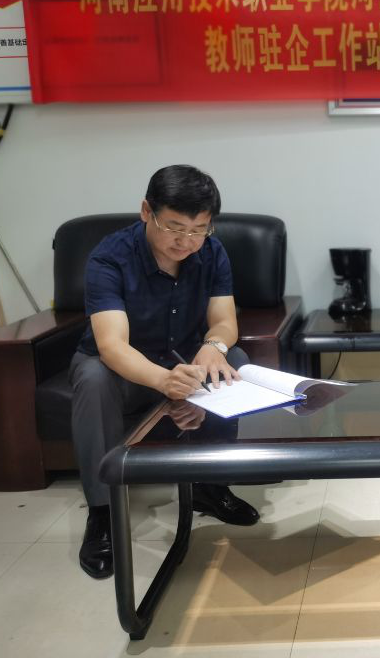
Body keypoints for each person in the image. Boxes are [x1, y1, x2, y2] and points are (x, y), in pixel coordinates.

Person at [71, 164, 258, 579]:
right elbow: (112, 345)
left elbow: (224, 321)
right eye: (174, 227)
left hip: (182, 359)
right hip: (121, 369)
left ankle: (210, 486)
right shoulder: (110, 257)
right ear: (146, 212)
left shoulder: (212, 252)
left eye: (198, 230)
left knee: (235, 359)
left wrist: (212, 347)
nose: (186, 241)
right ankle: (102, 513)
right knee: (93, 378)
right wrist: (165, 382)